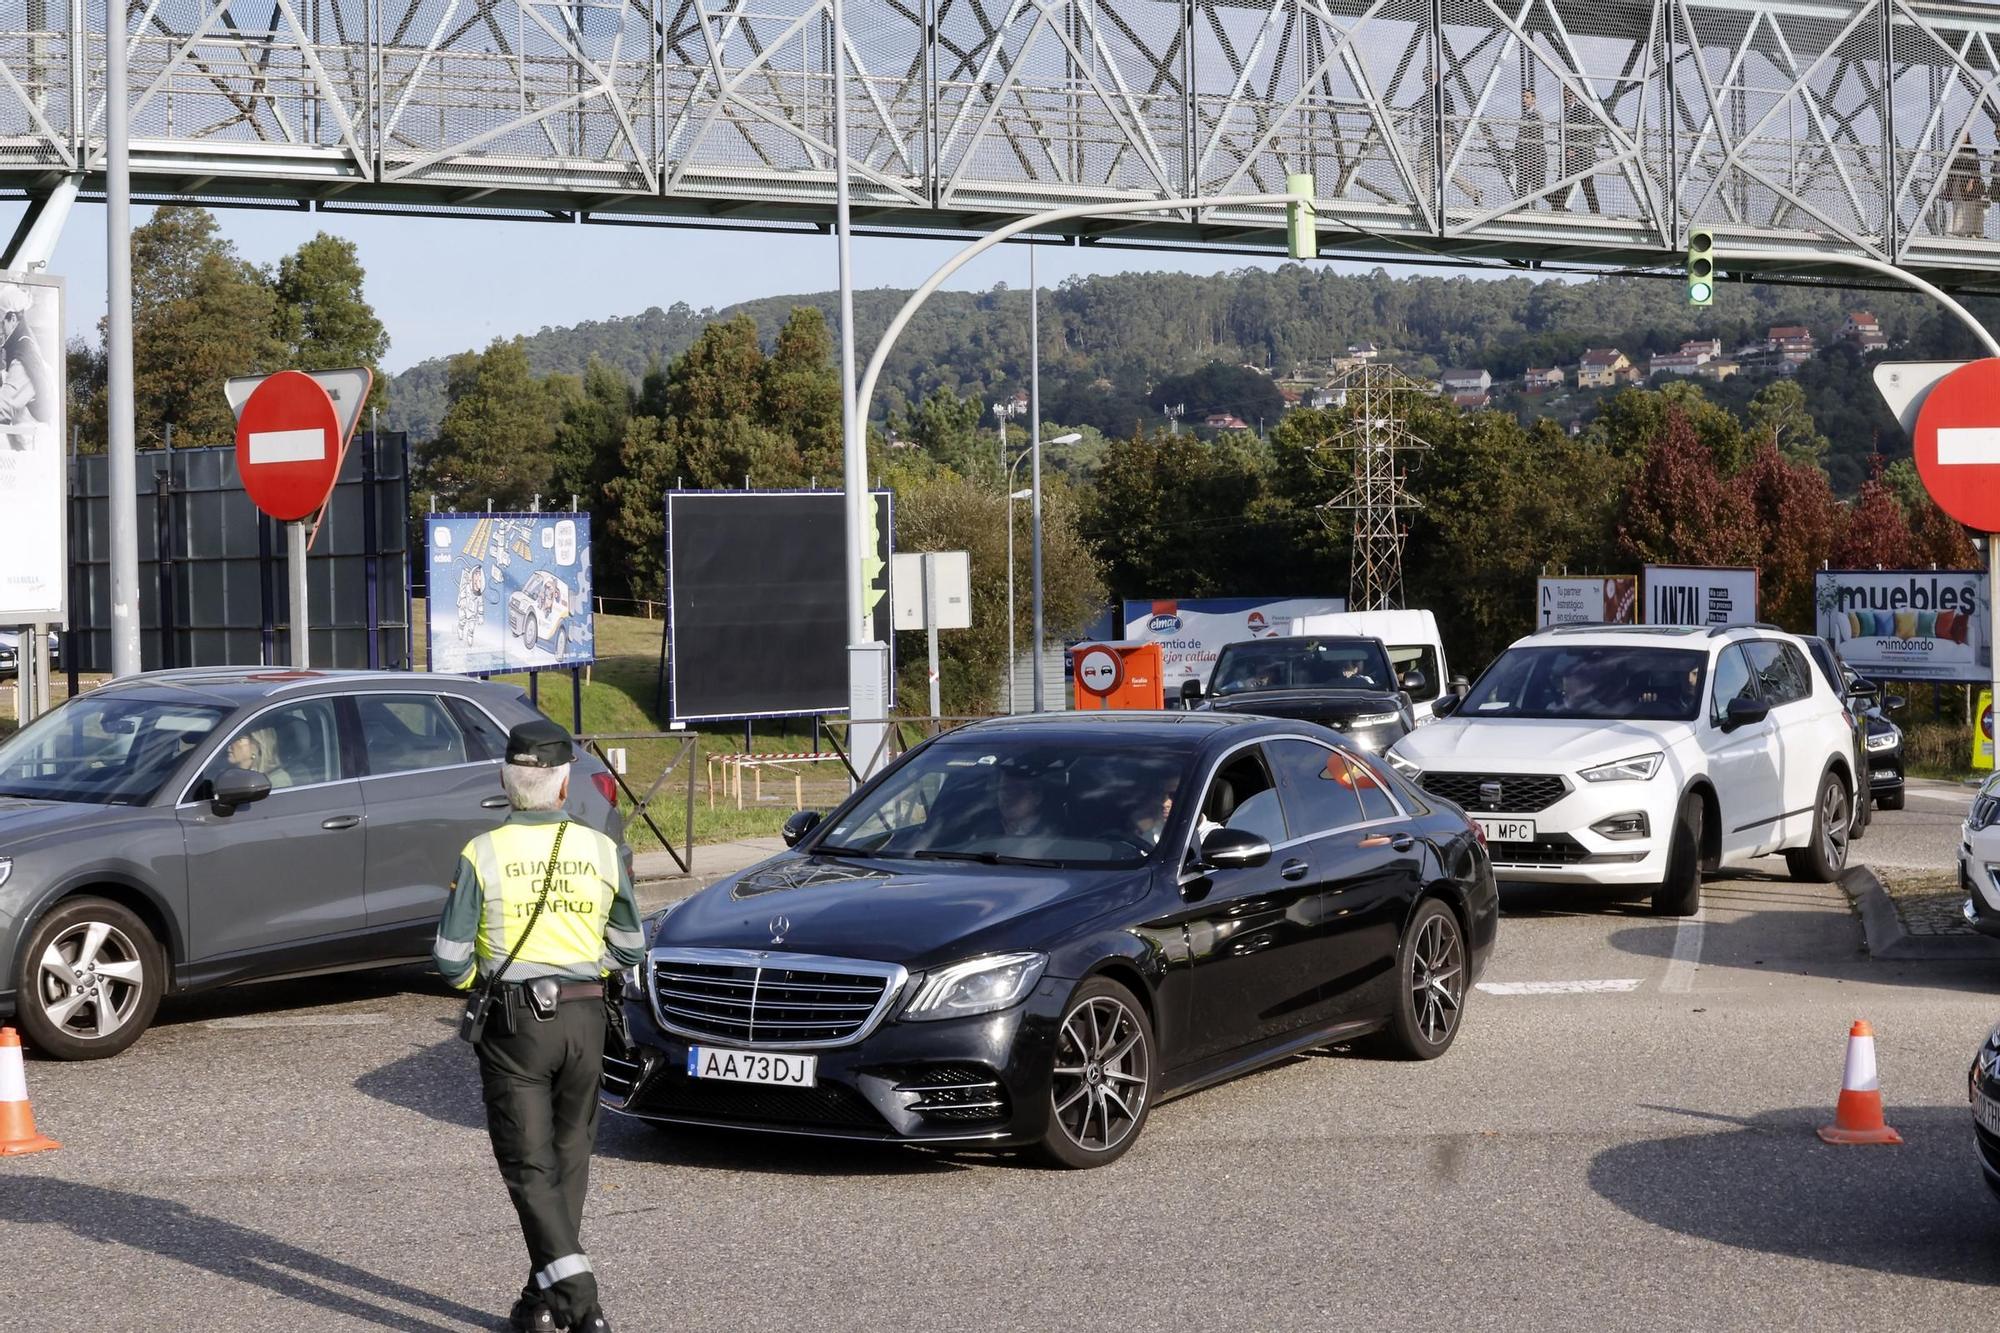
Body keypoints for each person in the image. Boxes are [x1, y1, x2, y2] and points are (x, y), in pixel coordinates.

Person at [433, 719, 643, 1333]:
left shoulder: (482, 853)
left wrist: (487, 978)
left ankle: (582, 1307)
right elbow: (630, 945)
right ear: (563, 784)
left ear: (506, 780)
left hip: (516, 1023)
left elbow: (449, 962)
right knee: (567, 1161)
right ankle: (538, 1303)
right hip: (586, 1020)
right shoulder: (600, 850)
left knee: (528, 1168)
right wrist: (587, 968)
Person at [1560, 85, 1602, 213]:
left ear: (1575, 96)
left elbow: (1583, 133)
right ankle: (1559, 206)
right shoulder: (1564, 112)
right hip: (1569, 156)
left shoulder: (1582, 110)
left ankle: (1595, 212)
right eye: (1565, 95)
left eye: (1570, 95)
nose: (1567, 98)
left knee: (1587, 185)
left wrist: (1574, 148)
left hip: (1582, 155)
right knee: (1564, 181)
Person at [1511, 89, 1549, 207]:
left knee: (1533, 188)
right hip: (1526, 158)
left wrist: (1528, 158)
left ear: (1534, 100)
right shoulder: (1525, 116)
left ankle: (1530, 211)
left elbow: (1535, 138)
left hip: (1533, 158)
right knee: (1523, 187)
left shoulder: (1536, 115)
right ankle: (1527, 210)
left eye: (1527, 97)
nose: (1524, 100)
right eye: (1523, 97)